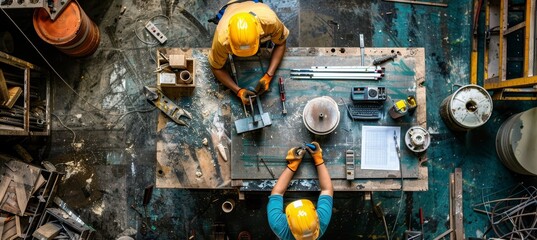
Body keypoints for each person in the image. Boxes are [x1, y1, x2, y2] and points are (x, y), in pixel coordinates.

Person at [208, 0, 289, 105]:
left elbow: (281, 43)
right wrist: (238, 91)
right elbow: (216, 67)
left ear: (259, 34)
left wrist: (269, 75)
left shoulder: (270, 21)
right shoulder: (221, 38)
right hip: (232, 7)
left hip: (254, 4)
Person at [267, 142, 334, 240]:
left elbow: (277, 193)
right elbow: (327, 189)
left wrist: (292, 166)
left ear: (288, 223)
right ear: (316, 218)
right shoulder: (320, 223)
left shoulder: (280, 226)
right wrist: (318, 159)